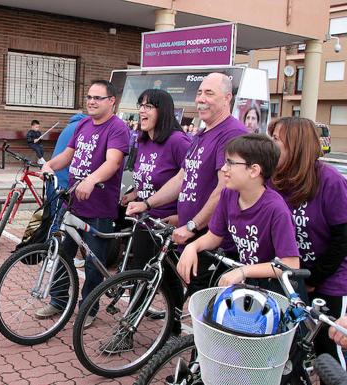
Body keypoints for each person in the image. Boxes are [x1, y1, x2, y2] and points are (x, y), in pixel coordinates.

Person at [127, 72, 247, 296]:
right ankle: (172, 329)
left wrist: (192, 225)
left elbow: (224, 189)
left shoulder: (233, 133)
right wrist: (146, 204)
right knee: (184, 289)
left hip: (212, 238)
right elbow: (182, 178)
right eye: (199, 92)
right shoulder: (202, 134)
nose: (201, 98)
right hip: (190, 231)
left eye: (209, 93)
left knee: (203, 300)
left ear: (227, 97)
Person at [36, 79, 130, 327]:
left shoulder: (117, 128)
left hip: (99, 207)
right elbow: (68, 155)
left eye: (98, 98)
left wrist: (91, 180)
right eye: (89, 96)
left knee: (92, 263)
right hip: (74, 203)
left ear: (111, 101)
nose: (91, 101)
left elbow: (113, 162)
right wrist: (49, 166)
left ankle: (88, 307)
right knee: (63, 253)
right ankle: (58, 301)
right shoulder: (84, 124)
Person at [269, 117, 347, 368]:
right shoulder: (276, 178)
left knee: (325, 351)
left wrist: (313, 279)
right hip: (292, 276)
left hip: (328, 280)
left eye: (276, 140)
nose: (271, 145)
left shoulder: (330, 180)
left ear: (295, 144)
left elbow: (344, 239)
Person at [177, 134, 301, 290]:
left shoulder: (276, 209)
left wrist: (243, 271)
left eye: (230, 163)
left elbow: (290, 263)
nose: (223, 168)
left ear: (254, 170)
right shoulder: (228, 194)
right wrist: (192, 247)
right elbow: (214, 236)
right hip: (248, 285)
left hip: (274, 291)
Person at [121, 88, 191, 334]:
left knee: (168, 278)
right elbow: (148, 179)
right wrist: (134, 195)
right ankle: (130, 327)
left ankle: (169, 328)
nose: (142, 110)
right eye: (141, 104)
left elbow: (191, 180)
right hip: (145, 220)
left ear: (164, 111)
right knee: (141, 272)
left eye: (149, 106)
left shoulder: (178, 142)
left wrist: (184, 218)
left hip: (169, 223)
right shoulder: (143, 141)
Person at [45, 113, 87, 267]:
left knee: (55, 219)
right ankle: (51, 258)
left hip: (55, 178)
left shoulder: (70, 126)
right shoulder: (82, 128)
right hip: (63, 180)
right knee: (57, 221)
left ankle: (56, 256)